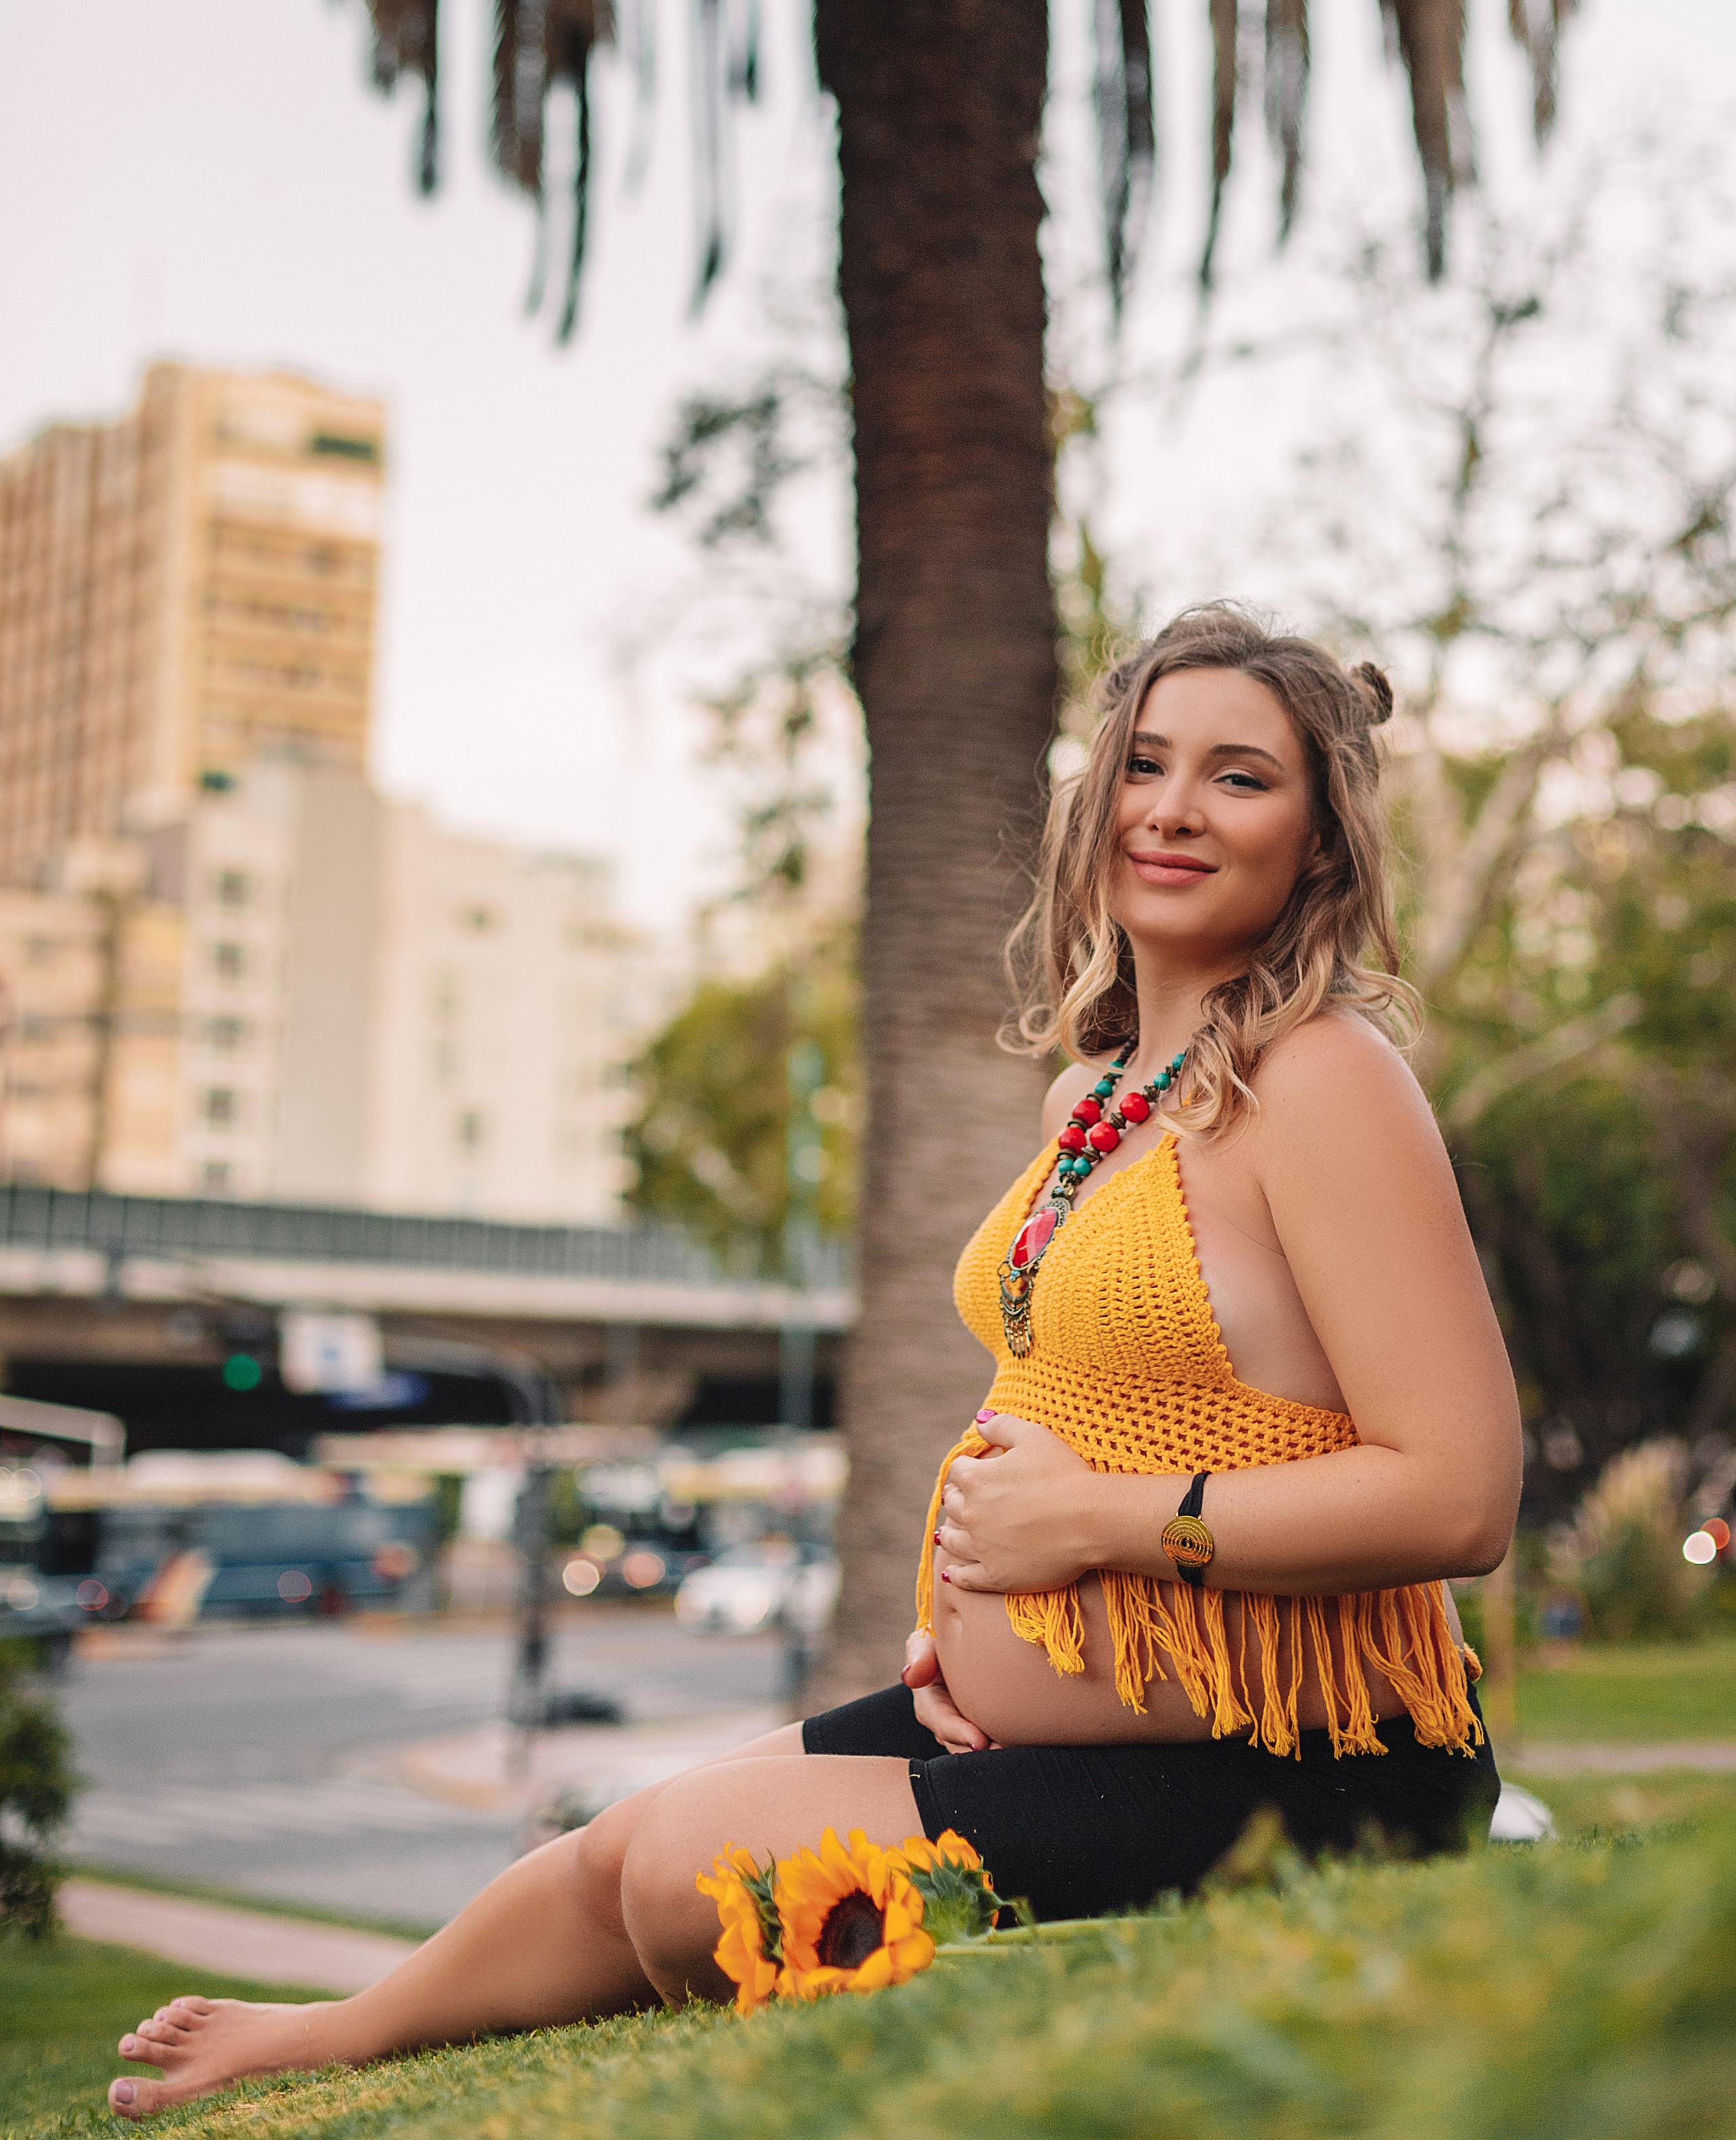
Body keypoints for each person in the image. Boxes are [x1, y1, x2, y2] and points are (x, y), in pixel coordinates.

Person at [107, 607, 1519, 2121]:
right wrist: (978, 1622)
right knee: (615, 1839)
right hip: (1067, 1722)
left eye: (1237, 778)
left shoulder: (1318, 1075)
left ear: (1315, 841)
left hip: (1302, 1768)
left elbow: (1457, 1495)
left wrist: (1098, 1532)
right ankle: (341, 2027)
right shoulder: (1095, 1097)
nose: (1169, 809)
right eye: (1143, 763)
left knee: (686, 1877)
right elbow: (1060, 1394)